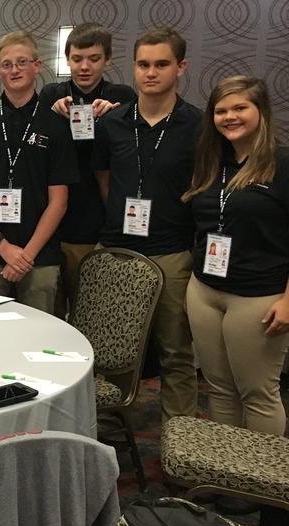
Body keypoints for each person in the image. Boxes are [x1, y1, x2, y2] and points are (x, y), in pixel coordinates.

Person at [92, 27, 201, 422]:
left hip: (171, 251)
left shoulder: (198, 126)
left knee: (175, 351)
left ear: (180, 67)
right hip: (118, 249)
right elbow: (105, 180)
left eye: (161, 64)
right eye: (143, 65)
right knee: (111, 346)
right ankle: (115, 424)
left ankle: (179, 432)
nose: (151, 73)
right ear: (133, 69)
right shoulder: (113, 123)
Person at [183, 76, 289, 436]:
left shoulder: (282, 163)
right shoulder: (212, 160)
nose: (229, 117)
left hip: (258, 297)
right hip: (204, 290)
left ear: (261, 111)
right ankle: (224, 474)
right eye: (221, 110)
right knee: (219, 389)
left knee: (257, 393)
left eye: (240, 108)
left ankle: (260, 485)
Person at [0, 31, 78, 314]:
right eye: (7, 64)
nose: (15, 70)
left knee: (37, 341)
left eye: (22, 62)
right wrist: (3, 247)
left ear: (37, 66)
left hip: (39, 257)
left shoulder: (56, 127)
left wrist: (26, 255)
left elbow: (59, 201)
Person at [40, 23, 136, 319]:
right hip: (51, 227)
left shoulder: (122, 97)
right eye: (77, 58)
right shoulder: (50, 95)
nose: (84, 67)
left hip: (99, 225)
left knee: (94, 315)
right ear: (66, 59)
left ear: (107, 60)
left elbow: (134, 154)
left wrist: (115, 117)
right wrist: (50, 118)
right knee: (52, 316)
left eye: (93, 59)